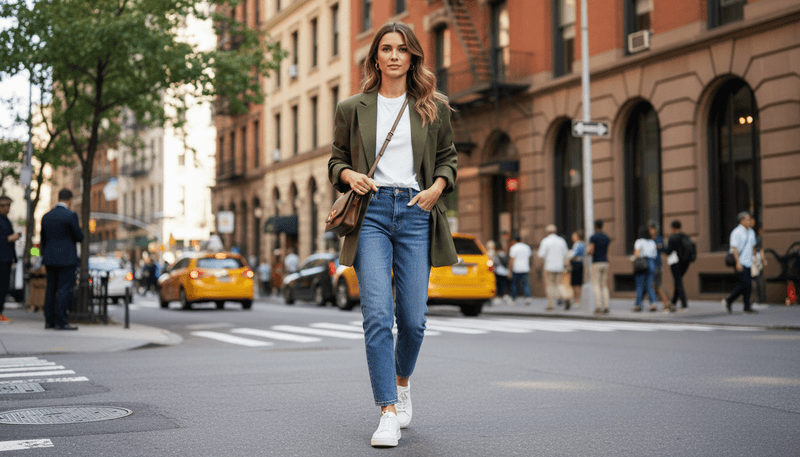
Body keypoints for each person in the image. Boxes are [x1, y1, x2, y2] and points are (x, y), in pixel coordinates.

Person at [328, 22, 458, 448]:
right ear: (376, 57)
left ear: (413, 56)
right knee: (378, 317)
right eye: (386, 48)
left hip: (416, 212)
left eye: (403, 49)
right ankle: (386, 410)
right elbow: (335, 162)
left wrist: (436, 189)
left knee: (415, 322)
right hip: (372, 213)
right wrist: (350, 175)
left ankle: (402, 383)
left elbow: (447, 160)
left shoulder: (432, 106)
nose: (395, 55)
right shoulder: (352, 108)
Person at [41, 188, 84, 330]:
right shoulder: (70, 215)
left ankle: (49, 321)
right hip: (67, 259)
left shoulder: (46, 216)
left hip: (49, 259)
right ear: (70, 200)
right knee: (64, 289)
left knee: (50, 289)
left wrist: (43, 258)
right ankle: (61, 321)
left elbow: (43, 240)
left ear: (58, 198)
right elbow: (79, 237)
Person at [723, 211, 757, 314]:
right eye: (747, 219)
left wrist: (755, 259)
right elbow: (734, 248)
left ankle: (745, 306)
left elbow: (753, 247)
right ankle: (730, 300)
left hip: (749, 262)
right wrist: (737, 262)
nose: (750, 221)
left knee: (748, 285)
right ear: (742, 221)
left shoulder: (751, 232)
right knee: (745, 284)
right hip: (740, 262)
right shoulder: (736, 232)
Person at [537, 225, 569, 311]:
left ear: (547, 232)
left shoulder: (545, 241)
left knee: (550, 285)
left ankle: (550, 305)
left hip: (549, 266)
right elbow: (566, 254)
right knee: (559, 284)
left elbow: (541, 255)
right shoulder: (561, 241)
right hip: (559, 266)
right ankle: (566, 296)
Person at [0, 196, 21, 322]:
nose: (6, 208)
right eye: (3, 205)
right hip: (1, 259)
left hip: (6, 259)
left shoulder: (6, 220)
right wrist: (9, 238)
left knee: (4, 286)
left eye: (8, 205)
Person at [665, 220, 690, 312]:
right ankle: (673, 303)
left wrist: (661, 248)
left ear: (673, 228)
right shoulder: (685, 236)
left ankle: (684, 304)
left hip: (675, 263)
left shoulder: (673, 238)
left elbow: (669, 251)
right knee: (677, 282)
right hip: (685, 263)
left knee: (678, 282)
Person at [588, 219, 611, 314]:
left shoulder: (593, 237)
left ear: (595, 226)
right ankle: (606, 306)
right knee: (604, 286)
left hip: (596, 262)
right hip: (605, 262)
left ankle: (598, 307)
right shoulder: (606, 237)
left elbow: (591, 250)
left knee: (596, 285)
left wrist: (587, 253)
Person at [633, 225, 658, 312]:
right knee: (649, 285)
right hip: (651, 263)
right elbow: (655, 255)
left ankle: (638, 304)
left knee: (640, 285)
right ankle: (653, 303)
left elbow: (636, 254)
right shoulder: (652, 242)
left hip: (642, 263)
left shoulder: (639, 241)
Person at [649, 221, 671, 311]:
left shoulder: (658, 239)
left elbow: (664, 249)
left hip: (657, 264)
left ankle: (666, 302)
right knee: (653, 285)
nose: (651, 231)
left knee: (657, 285)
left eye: (652, 229)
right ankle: (662, 302)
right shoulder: (648, 240)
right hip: (649, 264)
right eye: (650, 229)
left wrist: (660, 246)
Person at [507, 234, 533, 305]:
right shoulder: (526, 247)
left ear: (514, 241)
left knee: (514, 284)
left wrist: (510, 270)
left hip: (516, 268)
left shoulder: (513, 248)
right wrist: (529, 266)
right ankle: (527, 297)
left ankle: (513, 299)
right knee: (525, 284)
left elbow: (511, 260)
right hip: (525, 268)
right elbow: (530, 258)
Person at [751, 218, 767, 306]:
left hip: (755, 260)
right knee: (755, 281)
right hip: (752, 259)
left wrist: (763, 259)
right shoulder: (751, 234)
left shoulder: (755, 237)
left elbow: (760, 249)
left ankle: (759, 300)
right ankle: (756, 300)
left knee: (758, 280)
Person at [569, 230, 585, 309]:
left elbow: (573, 255)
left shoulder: (578, 244)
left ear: (577, 237)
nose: (572, 237)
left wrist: (569, 255)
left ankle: (577, 300)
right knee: (577, 283)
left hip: (576, 264)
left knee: (576, 283)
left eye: (574, 236)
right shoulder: (581, 244)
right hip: (578, 264)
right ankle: (576, 299)